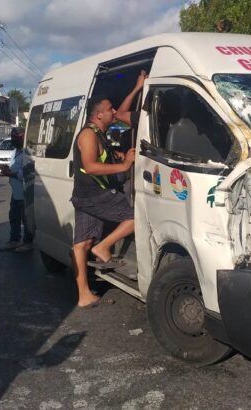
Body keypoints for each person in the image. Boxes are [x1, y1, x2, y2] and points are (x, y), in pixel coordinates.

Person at [71, 96, 136, 308]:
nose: (114, 111)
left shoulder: (99, 134)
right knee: (136, 216)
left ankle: (84, 295)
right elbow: (90, 166)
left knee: (81, 245)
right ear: (99, 114)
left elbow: (101, 157)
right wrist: (125, 165)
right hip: (94, 195)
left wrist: (118, 156)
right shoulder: (89, 135)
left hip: (85, 196)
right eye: (110, 109)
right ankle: (104, 247)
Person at [0, 128, 33, 252]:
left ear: (23, 138)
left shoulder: (28, 153)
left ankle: (28, 243)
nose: (13, 140)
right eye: (12, 137)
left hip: (24, 192)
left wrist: (11, 173)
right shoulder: (15, 152)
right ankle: (14, 240)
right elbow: (14, 167)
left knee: (26, 219)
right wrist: (7, 169)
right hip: (16, 192)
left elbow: (28, 173)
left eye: (16, 138)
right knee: (14, 217)